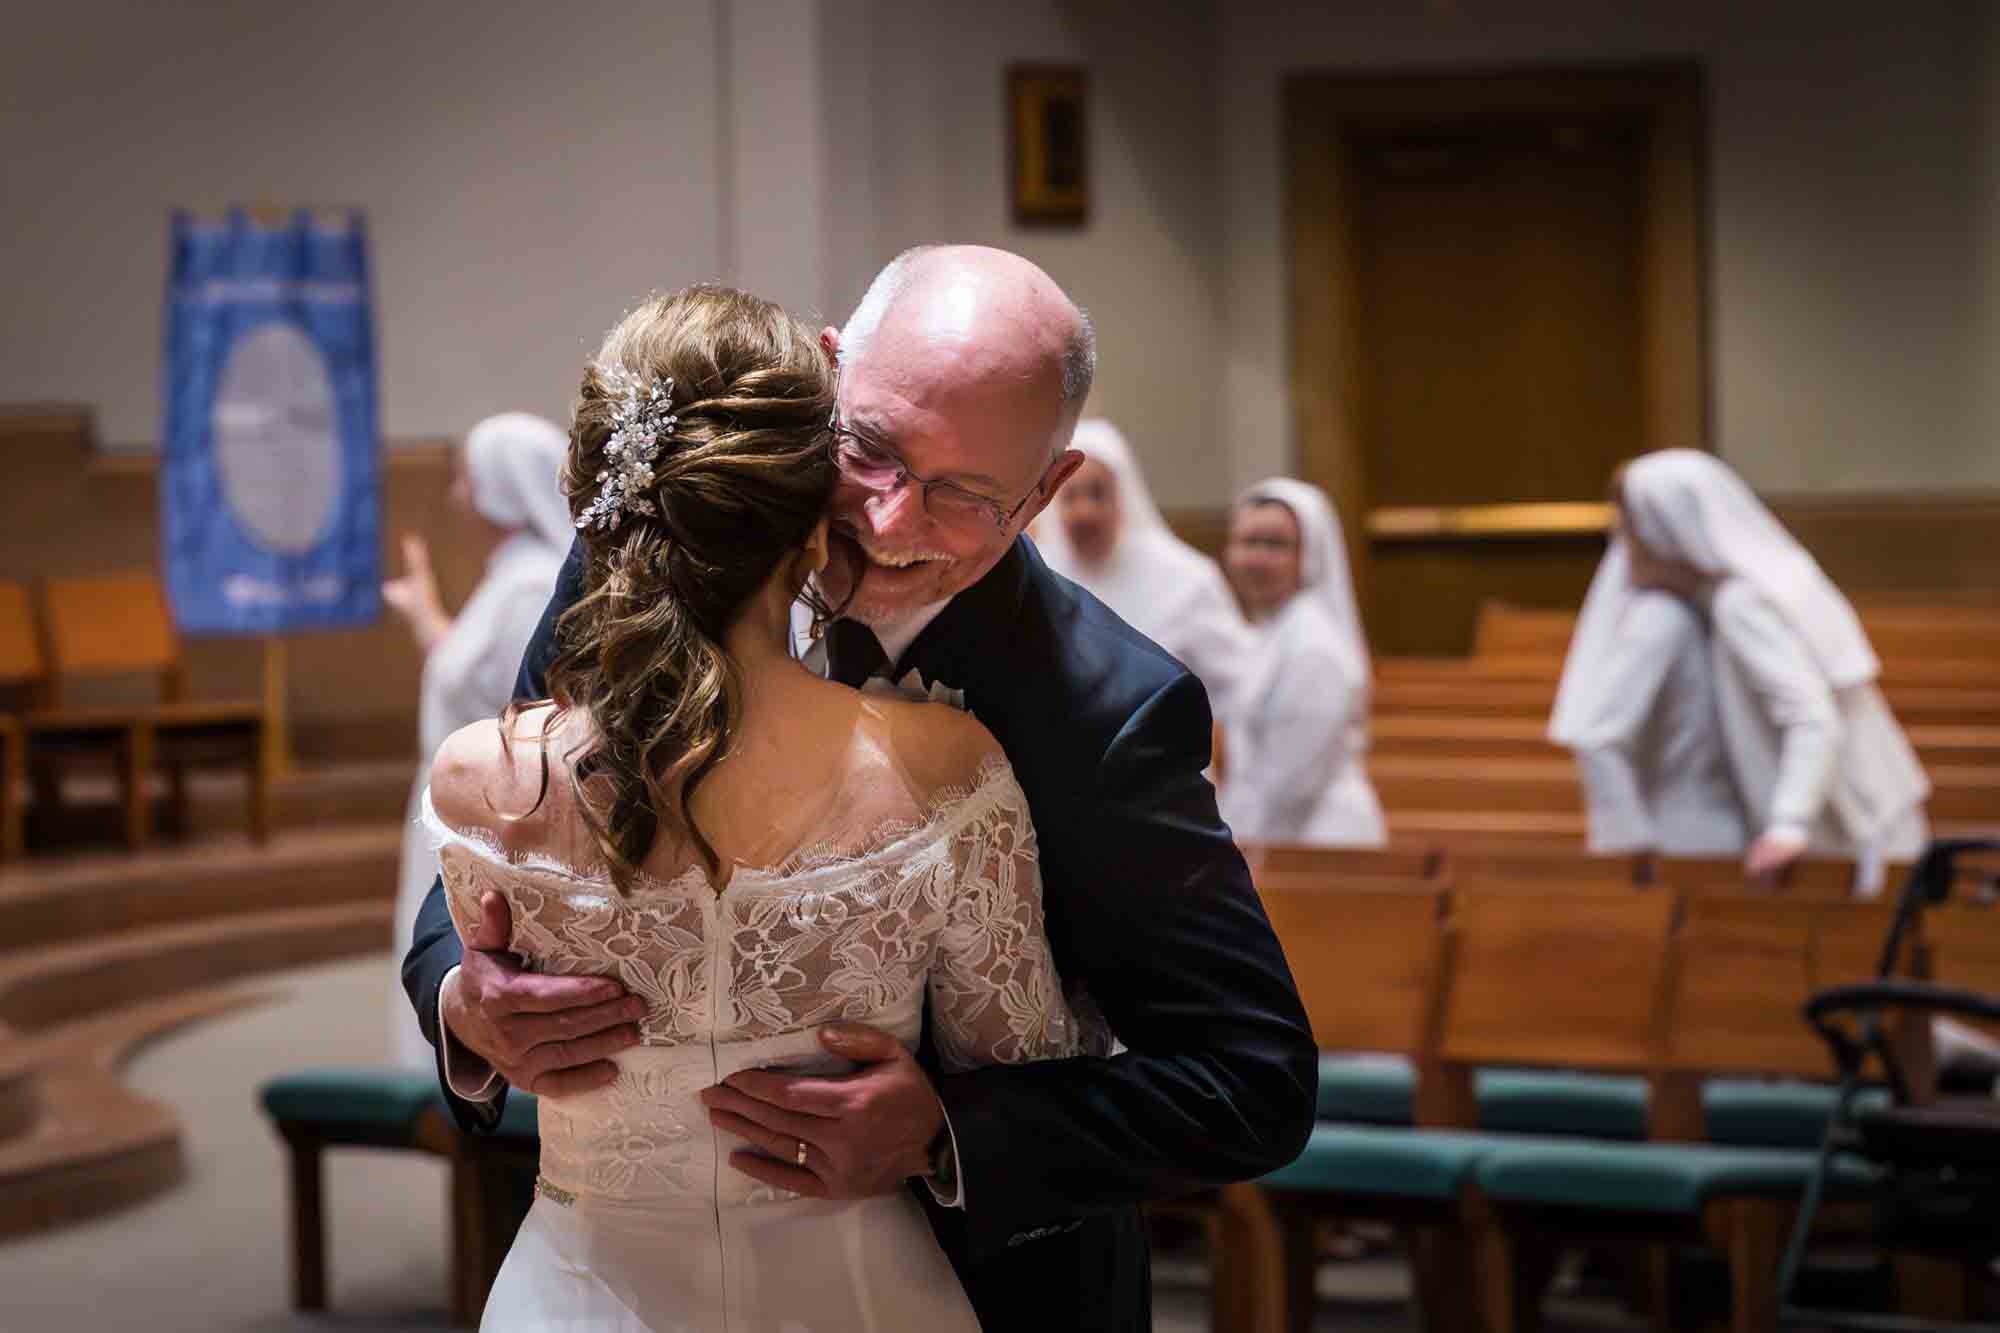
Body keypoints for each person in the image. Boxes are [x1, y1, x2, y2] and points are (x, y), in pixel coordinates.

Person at [401, 246, 1317, 1332]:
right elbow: (505, 841)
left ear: (1043, 492)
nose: (886, 523)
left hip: (976, 1287)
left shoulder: (1105, 712)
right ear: (828, 375)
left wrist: (948, 1132)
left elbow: (1251, 1079)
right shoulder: (641, 573)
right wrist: (466, 1001)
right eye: (871, 451)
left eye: (963, 494)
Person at [423, 285, 1089, 1329]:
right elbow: (1018, 1056)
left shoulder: (479, 777)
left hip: (582, 1290)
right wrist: (462, 1010)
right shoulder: (942, 763)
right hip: (859, 1292)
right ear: (810, 527)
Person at [1550, 449, 1930, 891]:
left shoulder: (1742, 605)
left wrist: (1788, 823)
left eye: (1631, 527)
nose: (1622, 544)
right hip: (1869, 809)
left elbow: (1812, 719)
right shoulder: (1756, 585)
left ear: (1669, 533)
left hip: (1851, 821)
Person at [382, 411, 569, 1069]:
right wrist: (425, 607)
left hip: (491, 811)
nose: (457, 494)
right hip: (452, 796)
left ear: (498, 485)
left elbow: (517, 702)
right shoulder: (509, 575)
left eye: (466, 477)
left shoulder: (530, 585)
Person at [1032, 418, 1252, 716]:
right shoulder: (1035, 575)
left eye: (1097, 494)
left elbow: (1241, 687)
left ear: (1123, 496)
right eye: (1071, 496)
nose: (1085, 512)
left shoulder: (1186, 578)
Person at [1217, 477, 1387, 847]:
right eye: (1247, 542)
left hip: (1321, 844)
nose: (1257, 558)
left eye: (1275, 545)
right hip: (1281, 836)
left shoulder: (1315, 647)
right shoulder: (1273, 631)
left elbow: (1289, 783)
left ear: (1309, 554)